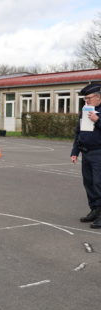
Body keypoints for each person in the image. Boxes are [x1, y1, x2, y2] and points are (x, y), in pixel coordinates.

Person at [71, 83, 101, 228]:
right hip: (86, 152)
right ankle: (95, 210)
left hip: (99, 152)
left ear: (97, 97)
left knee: (99, 183)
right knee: (88, 183)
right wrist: (75, 152)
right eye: (85, 99)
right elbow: (79, 132)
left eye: (88, 98)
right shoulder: (86, 110)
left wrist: (98, 120)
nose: (86, 101)